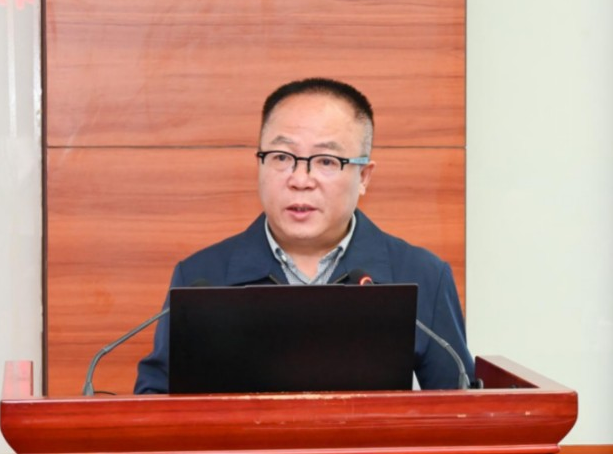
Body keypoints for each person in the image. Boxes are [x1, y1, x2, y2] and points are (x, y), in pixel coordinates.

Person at [134, 78, 474, 393]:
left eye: (326, 161)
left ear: (364, 177)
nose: (300, 180)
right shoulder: (201, 277)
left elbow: (461, 410)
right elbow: (154, 404)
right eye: (282, 157)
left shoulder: (422, 275)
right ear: (259, 164)